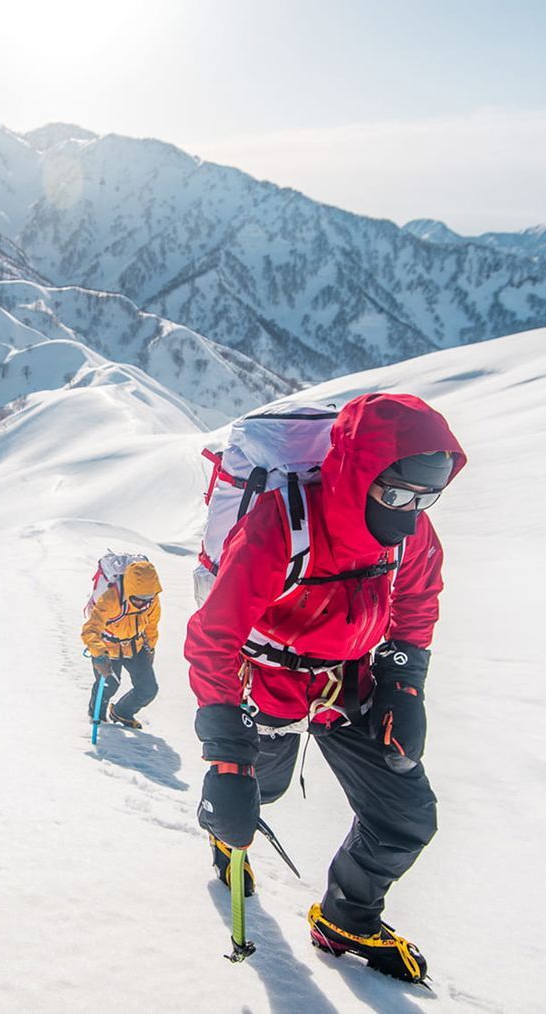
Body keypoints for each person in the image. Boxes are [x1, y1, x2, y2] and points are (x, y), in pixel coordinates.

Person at [185, 392, 466, 983]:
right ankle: (226, 833)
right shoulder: (283, 523)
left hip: (351, 682)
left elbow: (417, 601)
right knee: (263, 790)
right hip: (269, 681)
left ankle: (348, 918)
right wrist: (227, 760)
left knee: (405, 817)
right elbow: (213, 636)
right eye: (396, 493)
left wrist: (404, 685)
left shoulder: (409, 530)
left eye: (427, 496)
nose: (411, 509)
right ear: (360, 469)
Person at [82, 558, 162, 729]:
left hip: (135, 646)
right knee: (108, 685)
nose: (144, 603)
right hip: (107, 648)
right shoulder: (111, 598)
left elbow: (151, 625)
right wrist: (99, 655)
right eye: (139, 598)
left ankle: (122, 711)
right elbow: (90, 629)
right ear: (130, 590)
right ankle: (97, 717)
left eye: (148, 598)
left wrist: (151, 648)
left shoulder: (151, 601)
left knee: (148, 689)